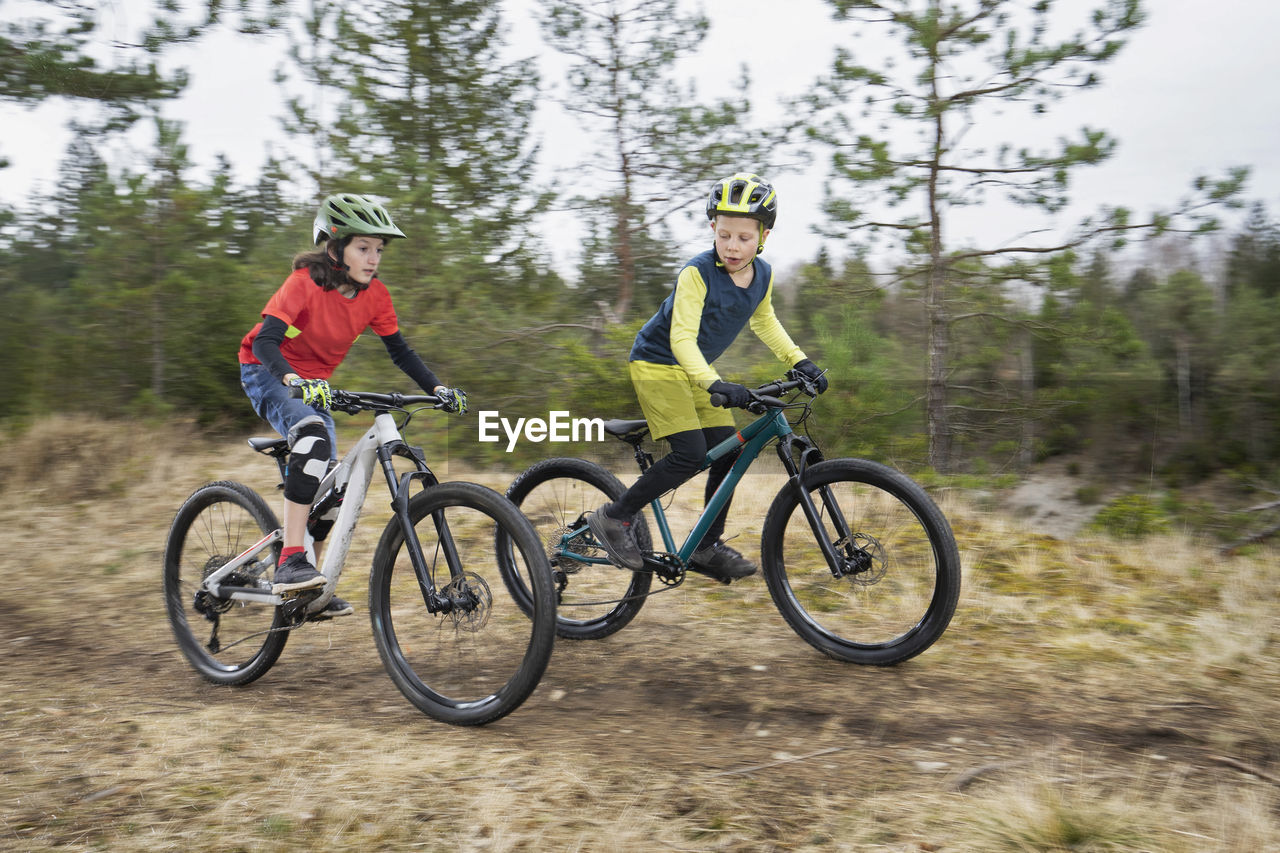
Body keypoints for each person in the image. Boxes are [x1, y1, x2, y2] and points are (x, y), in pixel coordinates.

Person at [587, 173, 827, 582]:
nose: (733, 246)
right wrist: (714, 383)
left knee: (728, 451)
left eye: (745, 238)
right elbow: (680, 339)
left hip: (696, 371)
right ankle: (615, 517)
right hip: (657, 364)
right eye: (725, 234)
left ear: (764, 236)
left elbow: (764, 322)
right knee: (689, 454)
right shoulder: (696, 273)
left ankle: (705, 545)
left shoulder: (763, 276)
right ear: (713, 227)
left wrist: (799, 360)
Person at [238, 192, 467, 618]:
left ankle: (307, 590)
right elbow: (268, 341)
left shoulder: (376, 296)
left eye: (379, 249)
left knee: (333, 486)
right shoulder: (303, 283)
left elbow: (400, 351)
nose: (373, 257)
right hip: (267, 371)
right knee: (311, 438)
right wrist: (292, 379)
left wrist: (437, 388)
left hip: (315, 384)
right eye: (363, 247)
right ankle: (291, 559)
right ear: (334, 247)